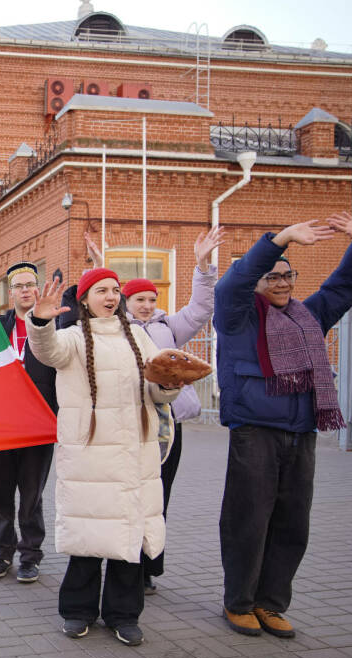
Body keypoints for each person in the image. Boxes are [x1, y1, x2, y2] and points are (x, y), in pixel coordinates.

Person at [215, 214, 352, 638]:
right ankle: (239, 603)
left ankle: (271, 604)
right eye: (272, 275)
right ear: (257, 280)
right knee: (248, 521)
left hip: (301, 432)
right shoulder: (238, 316)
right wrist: (280, 240)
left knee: (291, 523)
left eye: (288, 275)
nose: (282, 282)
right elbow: (231, 282)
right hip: (255, 431)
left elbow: (343, 288)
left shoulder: (309, 316)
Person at [26, 268, 180, 646]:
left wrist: (169, 385)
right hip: (89, 456)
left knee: (128, 538)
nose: (110, 297)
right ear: (85, 300)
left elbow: (156, 393)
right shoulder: (73, 338)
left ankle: (124, 615)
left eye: (115, 290)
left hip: (134, 453)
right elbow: (47, 352)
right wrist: (41, 321)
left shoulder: (139, 337)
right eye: (101, 291)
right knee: (90, 534)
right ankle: (77, 611)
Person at [114, 227, 225, 594]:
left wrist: (202, 264)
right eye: (139, 299)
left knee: (160, 494)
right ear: (126, 302)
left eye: (151, 298)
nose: (146, 305)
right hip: (129, 426)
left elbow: (201, 309)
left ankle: (148, 568)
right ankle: (122, 562)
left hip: (167, 427)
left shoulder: (168, 327)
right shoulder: (116, 330)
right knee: (129, 495)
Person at [0, 262, 58, 584]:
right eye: (19, 286)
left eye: (31, 284)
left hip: (38, 424)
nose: (26, 290)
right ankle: (1, 552)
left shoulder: (53, 324)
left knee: (31, 494)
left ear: (38, 290)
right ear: (10, 293)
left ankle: (30, 556)